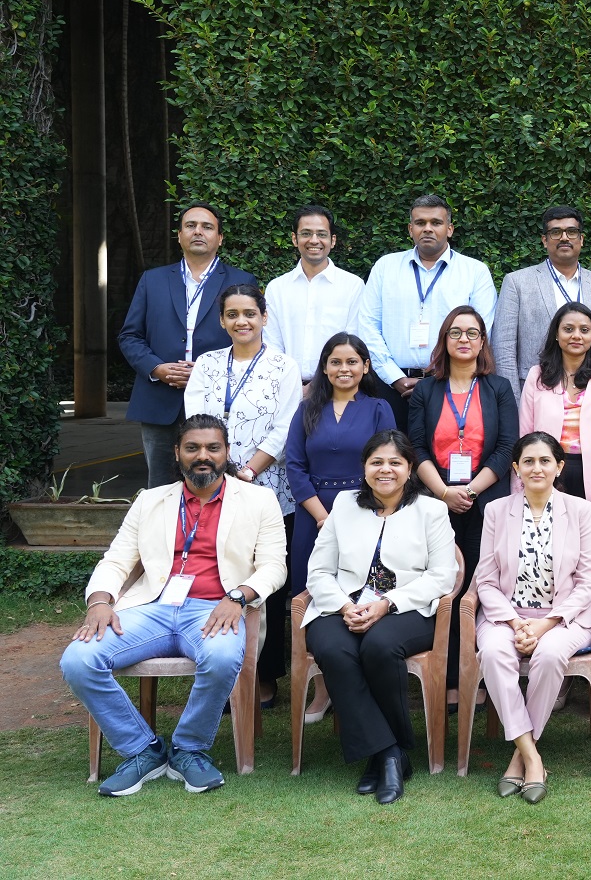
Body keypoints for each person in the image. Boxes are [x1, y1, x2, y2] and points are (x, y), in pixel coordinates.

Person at [60, 415, 287, 797]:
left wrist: (238, 597)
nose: (203, 456)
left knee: (220, 657)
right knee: (77, 661)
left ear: (227, 452)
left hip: (216, 608)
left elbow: (274, 566)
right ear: (177, 453)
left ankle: (188, 749)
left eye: (213, 448)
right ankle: (142, 750)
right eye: (193, 448)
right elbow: (116, 560)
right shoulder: (151, 500)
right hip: (152, 607)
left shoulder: (259, 499)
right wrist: (99, 602)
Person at [302, 430, 459, 804]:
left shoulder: (431, 510)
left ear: (409, 470)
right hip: (341, 604)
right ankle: (390, 753)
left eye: (395, 462)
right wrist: (343, 606)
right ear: (364, 467)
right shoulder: (343, 505)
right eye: (376, 462)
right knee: (335, 650)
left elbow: (442, 575)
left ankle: (380, 755)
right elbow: (319, 571)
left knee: (379, 646)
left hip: (406, 606)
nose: (385, 470)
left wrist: (387, 603)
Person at [182, 283, 302, 707]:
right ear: (222, 321)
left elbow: (286, 426)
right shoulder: (208, 365)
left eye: (249, 313)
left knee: (266, 580)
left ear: (264, 317)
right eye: (232, 314)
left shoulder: (284, 366)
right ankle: (221, 663)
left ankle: (266, 676)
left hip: (269, 487)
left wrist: (249, 469)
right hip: (213, 487)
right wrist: (219, 468)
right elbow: (195, 420)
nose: (242, 321)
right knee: (223, 571)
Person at [473, 432, 591, 804]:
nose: (536, 468)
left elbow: (587, 579)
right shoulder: (497, 511)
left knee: (548, 655)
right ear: (515, 468)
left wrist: (546, 625)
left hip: (566, 618)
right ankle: (532, 757)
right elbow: (485, 579)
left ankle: (518, 755)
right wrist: (516, 623)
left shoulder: (578, 510)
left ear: (559, 466)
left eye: (545, 460)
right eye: (528, 461)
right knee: (496, 655)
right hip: (506, 617)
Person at [408, 305, 520, 706]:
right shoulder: (425, 390)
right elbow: (416, 447)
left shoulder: (498, 388)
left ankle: (482, 674)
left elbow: (508, 448)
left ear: (483, 342)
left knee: (481, 587)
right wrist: (443, 493)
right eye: (456, 333)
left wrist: (470, 491)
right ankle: (446, 674)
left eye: (473, 333)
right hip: (435, 503)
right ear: (444, 340)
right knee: (441, 588)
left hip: (486, 502)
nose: (464, 340)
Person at [284, 333, 396, 723]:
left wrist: (351, 515)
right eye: (335, 361)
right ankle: (322, 687)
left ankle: (361, 680)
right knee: (313, 595)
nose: (344, 368)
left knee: (360, 588)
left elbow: (387, 463)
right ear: (325, 367)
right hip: (313, 512)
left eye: (352, 361)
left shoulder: (379, 407)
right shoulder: (306, 410)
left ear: (366, 366)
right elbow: (294, 466)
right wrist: (320, 516)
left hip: (366, 511)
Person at [118, 203, 257, 489]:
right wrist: (156, 368)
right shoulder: (152, 279)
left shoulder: (242, 281)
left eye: (207, 227)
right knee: (160, 486)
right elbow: (129, 336)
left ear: (219, 238)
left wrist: (208, 371)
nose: (198, 232)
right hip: (159, 398)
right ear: (179, 235)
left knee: (216, 483)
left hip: (216, 398)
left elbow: (249, 339)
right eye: (190, 226)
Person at [355, 194, 497, 430]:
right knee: (390, 461)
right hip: (390, 387)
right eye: (420, 223)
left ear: (449, 229)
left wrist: (444, 378)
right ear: (411, 229)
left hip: (452, 386)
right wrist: (395, 377)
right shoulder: (385, 267)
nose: (428, 229)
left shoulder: (475, 272)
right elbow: (368, 326)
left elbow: (480, 333)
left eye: (436, 223)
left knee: (444, 462)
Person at [517, 302, 591, 543]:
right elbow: (524, 439)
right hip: (546, 476)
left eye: (584, 330)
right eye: (568, 329)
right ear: (556, 335)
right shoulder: (537, 375)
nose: (576, 335)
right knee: (548, 560)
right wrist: (520, 493)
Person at [496, 205, 591, 400]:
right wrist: (514, 404)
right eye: (556, 232)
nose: (564, 238)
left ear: (581, 239)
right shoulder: (517, 283)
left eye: (572, 232)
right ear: (544, 240)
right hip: (536, 394)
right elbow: (503, 349)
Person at [262, 205, 365, 389]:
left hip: (336, 389)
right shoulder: (277, 288)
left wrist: (318, 386)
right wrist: (292, 386)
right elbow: (272, 346)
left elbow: (353, 345)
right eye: (306, 233)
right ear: (295, 239)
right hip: (284, 388)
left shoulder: (353, 286)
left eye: (322, 234)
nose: (314, 240)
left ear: (332, 240)